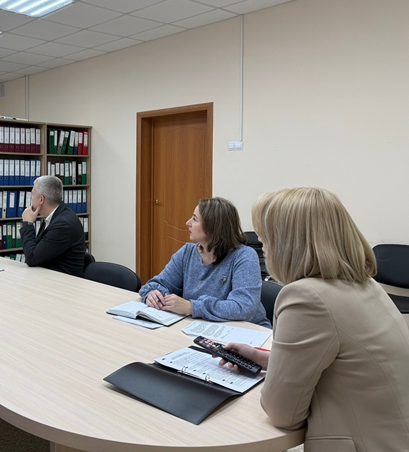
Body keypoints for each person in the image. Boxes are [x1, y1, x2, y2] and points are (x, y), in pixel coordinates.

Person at [218, 187, 409, 452]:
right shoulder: (365, 285)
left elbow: (282, 414)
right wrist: (265, 359)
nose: (262, 248)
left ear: (288, 244)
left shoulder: (307, 297)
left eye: (264, 239)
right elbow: (343, 363)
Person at [139, 197, 270, 327]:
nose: (188, 223)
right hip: (203, 327)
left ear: (213, 227)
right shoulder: (187, 252)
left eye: (195, 219)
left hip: (249, 332)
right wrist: (153, 295)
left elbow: (243, 307)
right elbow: (155, 284)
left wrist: (192, 307)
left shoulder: (244, 256)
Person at [20, 175, 85, 277]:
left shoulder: (63, 225)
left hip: (63, 282)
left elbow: (32, 258)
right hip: (49, 276)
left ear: (41, 200)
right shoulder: (55, 216)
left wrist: (28, 223)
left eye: (32, 195)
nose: (31, 199)